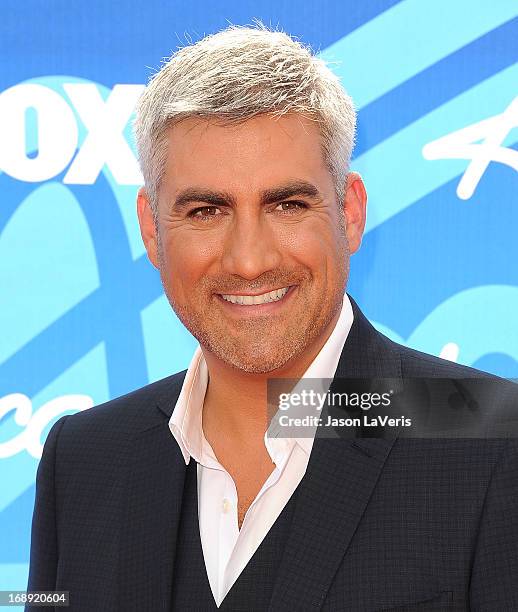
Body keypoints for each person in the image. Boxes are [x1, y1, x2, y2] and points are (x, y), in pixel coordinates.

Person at [27, 24, 518, 611]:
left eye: (287, 205)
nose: (250, 259)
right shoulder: (84, 459)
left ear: (350, 212)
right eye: (207, 211)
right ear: (152, 230)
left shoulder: (495, 438)